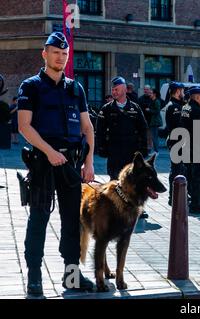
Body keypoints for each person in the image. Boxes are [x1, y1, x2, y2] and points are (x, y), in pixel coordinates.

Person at [17, 32, 96, 296]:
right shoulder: (30, 87)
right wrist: (49, 151)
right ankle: (35, 278)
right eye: (55, 52)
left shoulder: (76, 88)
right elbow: (24, 127)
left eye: (64, 53)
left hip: (71, 163)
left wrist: (89, 163)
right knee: (38, 219)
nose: (60, 57)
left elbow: (87, 127)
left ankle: (72, 277)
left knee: (72, 222)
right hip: (43, 161)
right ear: (45, 54)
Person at [96, 76, 148, 181]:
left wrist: (143, 148)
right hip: (114, 151)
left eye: (116, 89)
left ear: (124, 89)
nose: (114, 92)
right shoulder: (107, 108)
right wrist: (102, 147)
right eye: (113, 90)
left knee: (131, 179)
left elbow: (143, 129)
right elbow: (100, 130)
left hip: (131, 150)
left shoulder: (135, 108)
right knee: (114, 179)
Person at [180, 87, 200, 215]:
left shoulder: (185, 107)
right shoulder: (197, 111)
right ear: (197, 97)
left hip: (187, 145)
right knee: (198, 176)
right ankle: (196, 204)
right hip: (197, 147)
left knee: (191, 175)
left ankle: (193, 200)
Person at [165, 82, 186, 206]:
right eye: (182, 91)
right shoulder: (174, 107)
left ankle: (177, 196)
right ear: (178, 91)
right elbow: (180, 126)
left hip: (178, 142)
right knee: (176, 170)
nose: (183, 93)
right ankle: (173, 197)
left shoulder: (177, 105)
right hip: (177, 143)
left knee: (180, 170)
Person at [138, 85, 155, 151]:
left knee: (150, 135)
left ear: (150, 90)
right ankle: (145, 147)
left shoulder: (152, 98)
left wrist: (150, 110)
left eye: (147, 89)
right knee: (144, 134)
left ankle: (150, 148)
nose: (145, 91)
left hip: (151, 119)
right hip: (143, 119)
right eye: (145, 89)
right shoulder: (140, 98)